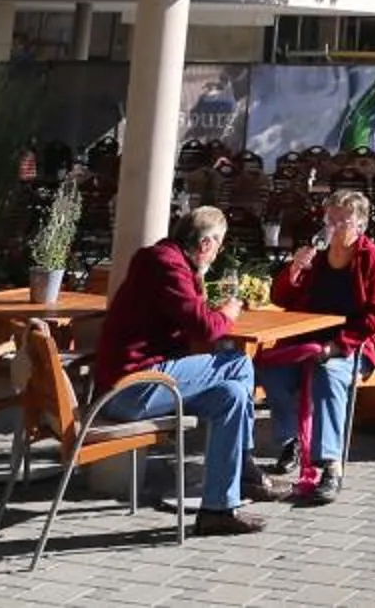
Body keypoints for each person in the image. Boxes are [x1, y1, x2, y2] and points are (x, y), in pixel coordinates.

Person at [92, 205, 268, 536]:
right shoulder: (165, 265)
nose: (219, 253)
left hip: (143, 383)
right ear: (205, 245)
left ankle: (218, 508)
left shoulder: (166, 261)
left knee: (231, 396)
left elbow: (190, 319)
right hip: (130, 389)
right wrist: (229, 312)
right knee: (238, 363)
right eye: (219, 245)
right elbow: (205, 329)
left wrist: (200, 284)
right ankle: (245, 468)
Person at [260, 189, 375, 503]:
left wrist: (337, 347)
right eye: (330, 217)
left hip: (353, 344)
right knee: (269, 367)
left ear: (360, 224)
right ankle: (293, 439)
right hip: (308, 339)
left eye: (342, 219)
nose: (333, 225)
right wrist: (293, 269)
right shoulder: (317, 256)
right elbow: (282, 299)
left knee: (328, 374)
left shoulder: (372, 259)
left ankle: (330, 465)